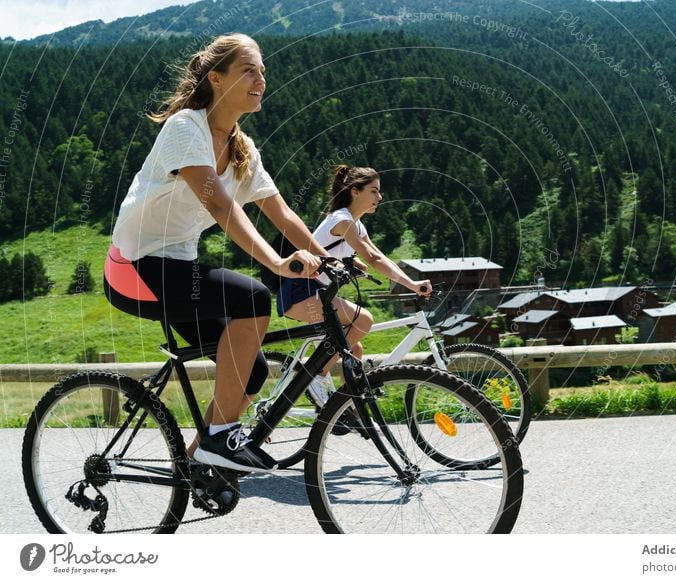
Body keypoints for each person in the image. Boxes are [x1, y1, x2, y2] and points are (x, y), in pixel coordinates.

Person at [103, 34, 328, 473]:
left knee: (254, 372)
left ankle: (195, 466)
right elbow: (219, 205)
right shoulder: (185, 127)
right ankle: (220, 438)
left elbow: (281, 214)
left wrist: (330, 258)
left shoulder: (243, 151)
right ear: (216, 78)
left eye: (262, 70)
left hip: (176, 269)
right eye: (248, 69)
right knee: (253, 297)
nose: (260, 78)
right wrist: (278, 264)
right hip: (134, 266)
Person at [278, 165, 431, 406]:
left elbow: (377, 254)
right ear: (355, 191)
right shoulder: (342, 220)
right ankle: (315, 376)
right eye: (374, 191)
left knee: (355, 351)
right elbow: (374, 259)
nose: (379, 197)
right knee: (363, 320)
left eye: (379, 192)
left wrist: (352, 262)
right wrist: (412, 284)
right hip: (301, 293)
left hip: (318, 293)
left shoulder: (357, 225)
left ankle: (343, 407)